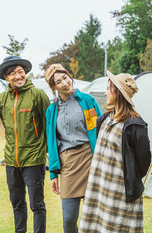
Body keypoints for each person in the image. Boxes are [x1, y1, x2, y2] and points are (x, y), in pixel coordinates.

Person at [79, 71, 151, 233]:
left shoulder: (135, 126)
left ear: (118, 93)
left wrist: (126, 179)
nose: (105, 93)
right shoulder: (104, 119)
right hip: (100, 189)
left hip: (120, 194)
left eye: (108, 89)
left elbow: (143, 163)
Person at [44, 64, 102, 233]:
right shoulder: (51, 110)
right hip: (68, 163)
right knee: (69, 218)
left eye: (65, 77)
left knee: (93, 215)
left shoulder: (87, 101)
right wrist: (53, 173)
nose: (64, 83)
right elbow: (51, 142)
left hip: (90, 159)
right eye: (58, 82)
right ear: (53, 87)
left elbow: (98, 128)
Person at [0, 56, 51, 233]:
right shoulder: (3, 99)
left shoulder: (38, 95)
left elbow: (46, 126)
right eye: (12, 73)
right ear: (6, 78)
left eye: (20, 71)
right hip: (12, 161)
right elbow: (7, 125)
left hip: (34, 160)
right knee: (17, 203)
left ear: (25, 73)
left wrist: (48, 154)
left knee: (37, 205)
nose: (17, 75)